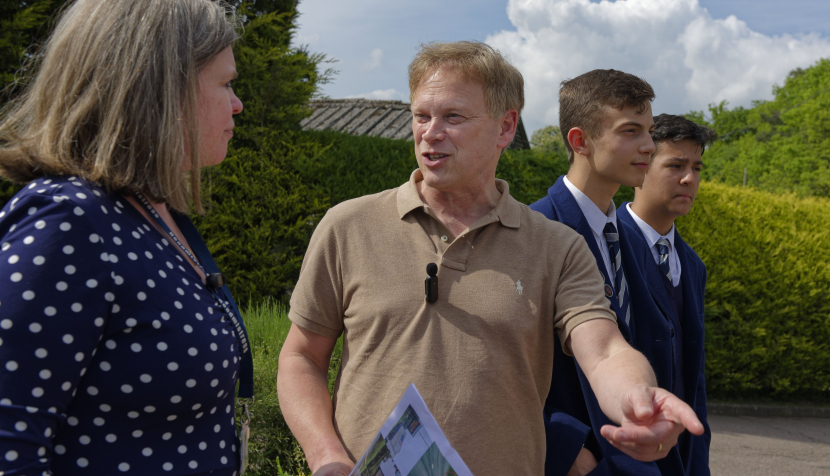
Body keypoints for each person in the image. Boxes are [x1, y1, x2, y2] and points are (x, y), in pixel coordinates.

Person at [277, 42, 703, 476]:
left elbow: (606, 351)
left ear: (505, 127)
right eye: (422, 115)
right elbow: (301, 359)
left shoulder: (557, 247)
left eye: (453, 117)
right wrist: (325, 455)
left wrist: (639, 398)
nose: (431, 132)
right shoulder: (348, 226)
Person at [0, 0, 252, 475]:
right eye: (225, 84)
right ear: (160, 89)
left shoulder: (149, 211)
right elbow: (10, 447)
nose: (238, 104)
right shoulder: (70, 223)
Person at [528, 70, 695, 476]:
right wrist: (568, 451)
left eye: (650, 131)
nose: (649, 146)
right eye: (630, 131)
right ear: (580, 141)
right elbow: (502, 367)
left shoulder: (632, 239)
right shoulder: (534, 232)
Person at [616, 114, 717, 475]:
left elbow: (694, 378)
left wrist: (699, 459)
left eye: (697, 167)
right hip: (619, 454)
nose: (690, 178)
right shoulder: (599, 245)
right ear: (641, 164)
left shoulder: (693, 265)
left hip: (682, 457)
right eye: (675, 165)